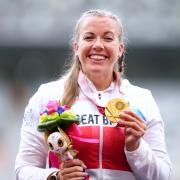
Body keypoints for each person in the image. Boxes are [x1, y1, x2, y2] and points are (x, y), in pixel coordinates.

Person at [15, 9, 171, 180]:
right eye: (89, 37)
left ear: (120, 49)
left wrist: (136, 147)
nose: (98, 45)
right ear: (76, 47)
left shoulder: (142, 99)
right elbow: (23, 170)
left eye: (108, 38)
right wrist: (56, 177)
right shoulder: (47, 95)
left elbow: (162, 176)